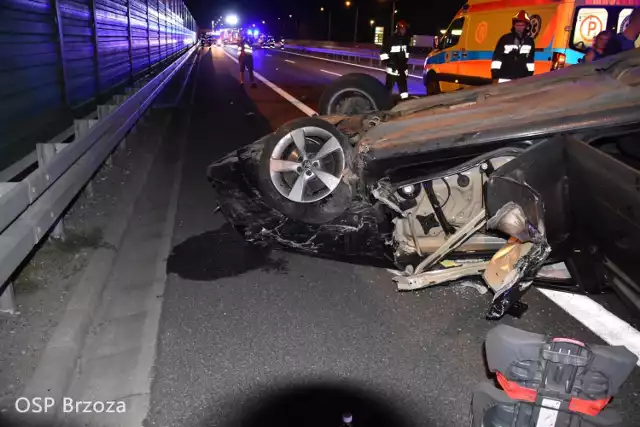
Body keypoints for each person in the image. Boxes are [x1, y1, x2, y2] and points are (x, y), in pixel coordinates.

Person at [491, 10, 536, 83]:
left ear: (526, 26)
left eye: (522, 25)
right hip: (504, 78)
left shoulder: (529, 41)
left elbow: (530, 61)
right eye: (517, 25)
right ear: (514, 25)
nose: (519, 27)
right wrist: (495, 76)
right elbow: (496, 59)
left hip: (522, 79)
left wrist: (529, 76)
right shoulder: (505, 39)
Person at [380, 20, 410, 100]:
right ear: (398, 29)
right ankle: (384, 105)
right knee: (388, 90)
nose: (404, 31)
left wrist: (404, 65)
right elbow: (383, 54)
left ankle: (405, 105)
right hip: (392, 71)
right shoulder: (391, 40)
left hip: (402, 70)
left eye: (405, 29)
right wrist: (391, 63)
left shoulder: (406, 40)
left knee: (404, 92)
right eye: (403, 29)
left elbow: (407, 55)